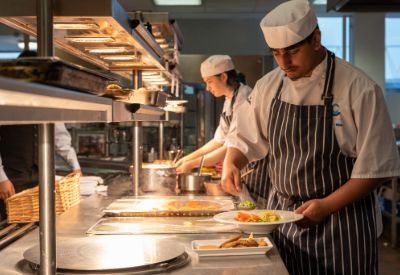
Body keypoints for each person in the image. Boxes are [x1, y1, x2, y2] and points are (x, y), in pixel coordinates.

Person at [222, 1, 400, 274]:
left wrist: (326, 205)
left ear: (316, 39)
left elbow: (375, 169)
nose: (284, 62)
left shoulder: (359, 89)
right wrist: (232, 162)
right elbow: (244, 136)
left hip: (343, 227)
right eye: (276, 53)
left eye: (292, 51)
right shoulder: (269, 86)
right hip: (283, 221)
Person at [175, 55, 270, 200]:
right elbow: (219, 141)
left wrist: (193, 164)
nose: (207, 88)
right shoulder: (229, 100)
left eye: (209, 82)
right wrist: (187, 159)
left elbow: (233, 145)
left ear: (223, 77)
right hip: (241, 169)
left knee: (256, 210)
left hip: (255, 169)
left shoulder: (244, 98)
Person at [0, 122, 81, 220]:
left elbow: (60, 137)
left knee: (44, 221)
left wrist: (75, 166)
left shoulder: (50, 108)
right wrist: (1, 178)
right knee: (13, 222)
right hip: (11, 178)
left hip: (44, 176)